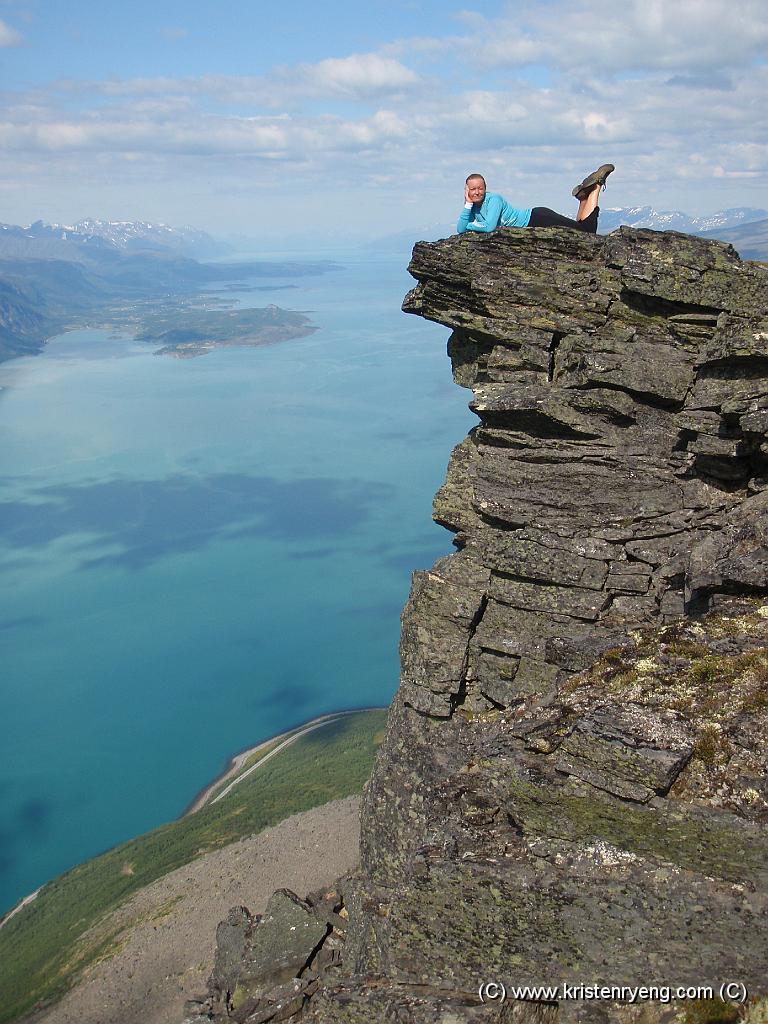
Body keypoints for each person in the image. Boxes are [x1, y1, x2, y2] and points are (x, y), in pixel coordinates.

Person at [456, 164, 614, 236]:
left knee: (587, 234)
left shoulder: (494, 200)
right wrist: (468, 204)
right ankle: (583, 198)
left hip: (537, 219)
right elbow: (461, 229)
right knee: (581, 231)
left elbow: (489, 227)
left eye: (480, 188)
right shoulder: (472, 207)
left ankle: (595, 187)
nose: (477, 192)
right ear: (467, 190)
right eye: (472, 189)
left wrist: (473, 225)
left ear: (485, 188)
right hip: (535, 220)